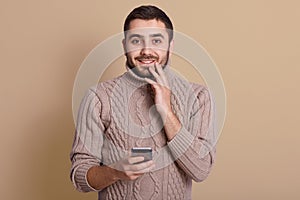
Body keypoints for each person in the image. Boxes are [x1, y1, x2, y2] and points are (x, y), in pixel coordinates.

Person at [70, 5, 216, 200]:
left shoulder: (198, 97)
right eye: (136, 40)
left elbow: (201, 170)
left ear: (170, 47)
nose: (146, 50)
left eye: (156, 40)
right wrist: (115, 172)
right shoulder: (98, 98)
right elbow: (79, 176)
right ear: (124, 46)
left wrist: (166, 111)